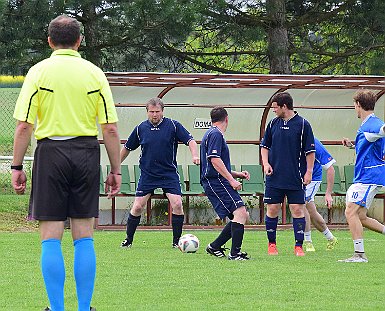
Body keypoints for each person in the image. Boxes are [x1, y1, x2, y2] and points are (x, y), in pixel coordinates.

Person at [11, 15, 121, 311]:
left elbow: (24, 126)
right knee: (84, 234)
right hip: (87, 152)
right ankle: (84, 308)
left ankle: (57, 309)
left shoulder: (38, 72)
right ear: (79, 41)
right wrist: (115, 170)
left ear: (49, 41)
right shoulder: (95, 73)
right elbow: (109, 128)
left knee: (50, 236)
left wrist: (17, 167)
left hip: (50, 154)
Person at [120, 97, 199, 248]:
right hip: (148, 174)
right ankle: (128, 240)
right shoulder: (140, 129)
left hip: (168, 174)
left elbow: (191, 140)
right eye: (151, 112)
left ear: (162, 111)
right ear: (147, 112)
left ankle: (176, 242)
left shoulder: (173, 126)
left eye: (157, 111)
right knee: (137, 207)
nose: (154, 115)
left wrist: (194, 155)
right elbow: (127, 148)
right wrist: (116, 165)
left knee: (177, 204)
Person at [261, 92, 315, 257]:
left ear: (284, 106)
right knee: (272, 208)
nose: (273, 110)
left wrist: (309, 172)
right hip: (274, 176)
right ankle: (272, 245)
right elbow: (264, 146)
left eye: (275, 107)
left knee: (297, 209)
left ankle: (298, 246)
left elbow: (310, 151)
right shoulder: (272, 124)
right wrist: (266, 163)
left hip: (295, 176)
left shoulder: (303, 124)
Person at [339, 89, 385, 263]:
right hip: (366, 176)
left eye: (354, 105)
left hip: (369, 176)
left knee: (350, 211)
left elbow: (382, 129)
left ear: (358, 105)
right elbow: (370, 145)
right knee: (361, 217)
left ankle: (359, 255)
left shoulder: (373, 124)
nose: (354, 108)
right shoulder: (367, 126)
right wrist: (352, 145)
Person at [201, 106, 250, 260]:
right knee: (240, 213)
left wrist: (237, 174)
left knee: (240, 215)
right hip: (216, 182)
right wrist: (232, 180)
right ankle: (234, 254)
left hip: (217, 180)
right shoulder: (216, 134)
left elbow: (215, 163)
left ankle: (214, 246)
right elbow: (214, 160)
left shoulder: (211, 133)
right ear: (227, 119)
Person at [303, 137, 338, 252]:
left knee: (301, 205)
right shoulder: (290, 138)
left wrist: (328, 193)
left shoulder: (314, 143)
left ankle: (308, 242)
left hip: (312, 180)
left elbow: (330, 168)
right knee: (312, 212)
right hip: (298, 179)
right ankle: (331, 238)